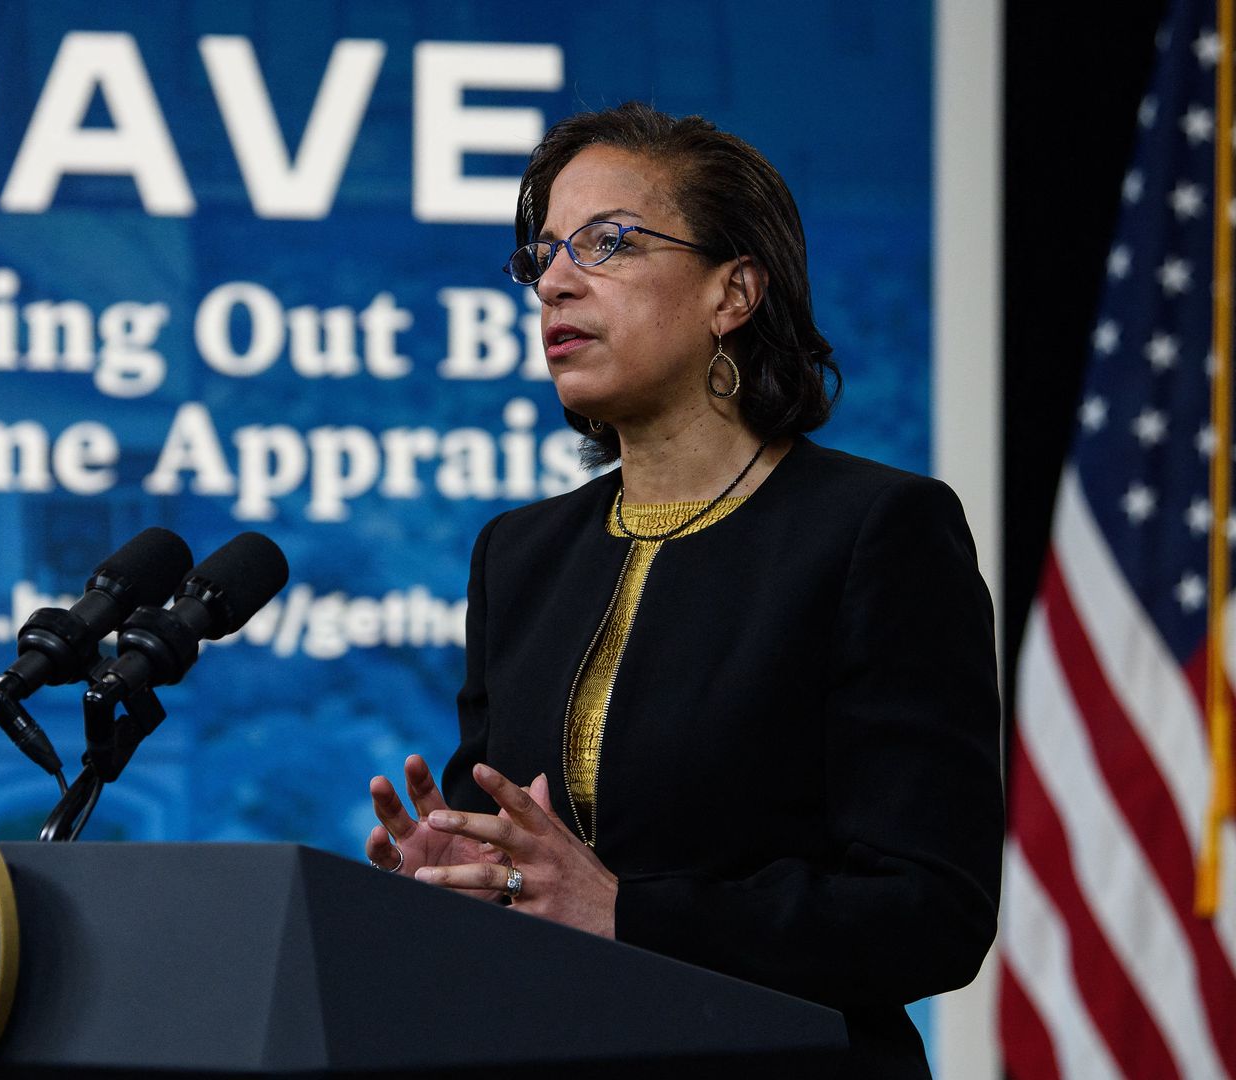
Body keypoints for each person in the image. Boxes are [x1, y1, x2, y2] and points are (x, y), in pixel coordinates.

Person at [362, 102, 1002, 1079]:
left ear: (733, 292)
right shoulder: (518, 555)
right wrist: (457, 886)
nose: (555, 282)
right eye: (542, 255)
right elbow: (516, 869)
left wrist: (626, 913)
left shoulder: (875, 531)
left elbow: (931, 914)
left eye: (607, 243)